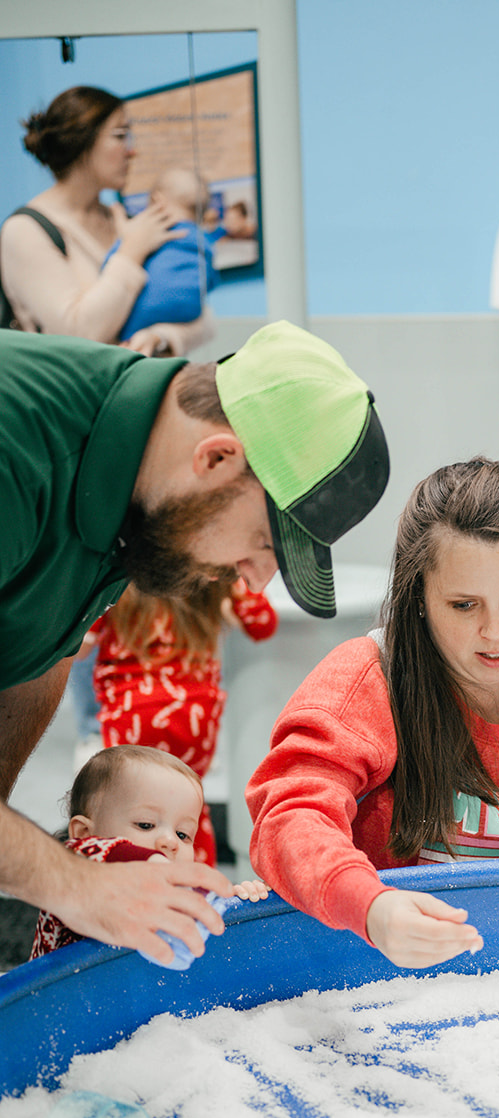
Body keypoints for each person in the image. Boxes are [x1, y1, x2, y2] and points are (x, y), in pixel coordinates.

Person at [0, 317, 390, 964]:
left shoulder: (136, 500)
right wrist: (77, 884)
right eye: (265, 544)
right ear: (215, 458)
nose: (255, 576)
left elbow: (40, 650)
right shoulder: (17, 451)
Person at [247, 457, 499, 970]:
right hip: (395, 989)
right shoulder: (366, 684)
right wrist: (371, 907)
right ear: (418, 596)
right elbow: (289, 818)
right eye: (464, 605)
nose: (496, 631)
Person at [0, 85, 212, 355]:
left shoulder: (122, 218)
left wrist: (159, 336)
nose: (132, 151)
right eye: (121, 135)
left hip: (140, 387)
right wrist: (130, 252)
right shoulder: (26, 231)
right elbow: (78, 334)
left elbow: (203, 317)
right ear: (83, 140)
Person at [89, 578, 278, 864]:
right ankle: (198, 895)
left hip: (132, 709)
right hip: (193, 713)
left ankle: (130, 890)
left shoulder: (118, 568)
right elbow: (263, 623)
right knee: (188, 808)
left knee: (127, 808)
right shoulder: (212, 565)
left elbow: (77, 647)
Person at [30, 746, 268, 961]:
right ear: (84, 832)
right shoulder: (72, 879)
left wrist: (232, 903)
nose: (170, 842)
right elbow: (84, 854)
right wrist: (148, 860)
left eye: (183, 834)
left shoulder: (170, 902)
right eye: (145, 825)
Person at [102, 167, 219, 354]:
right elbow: (211, 280)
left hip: (134, 322)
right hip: (190, 311)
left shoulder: (146, 234)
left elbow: (111, 263)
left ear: (157, 201)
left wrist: (125, 239)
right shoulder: (202, 240)